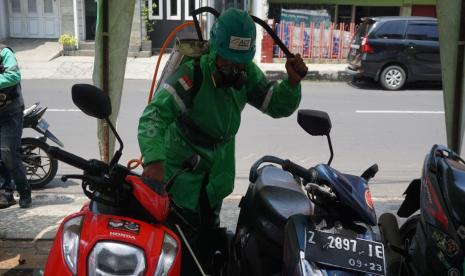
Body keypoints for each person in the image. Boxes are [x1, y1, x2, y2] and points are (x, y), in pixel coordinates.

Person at [138, 8, 307, 274]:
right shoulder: (192, 74)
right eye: (227, 61)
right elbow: (153, 116)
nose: (234, 69)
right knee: (181, 240)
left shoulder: (247, 74)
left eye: (240, 62)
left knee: (207, 235)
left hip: (217, 169)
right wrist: (155, 161)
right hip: (181, 171)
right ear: (215, 51)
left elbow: (274, 105)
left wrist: (292, 83)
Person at [0, 43, 31, 208]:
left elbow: (13, 76)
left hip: (9, 112)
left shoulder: (4, 52)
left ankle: (24, 191)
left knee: (8, 154)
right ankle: (5, 193)